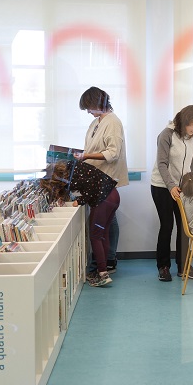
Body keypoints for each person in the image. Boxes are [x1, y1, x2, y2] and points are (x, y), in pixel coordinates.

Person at [74, 87, 128, 278]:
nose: (88, 112)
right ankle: (104, 261)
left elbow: (112, 153)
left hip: (105, 180)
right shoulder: (97, 122)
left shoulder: (113, 123)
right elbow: (92, 147)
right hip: (96, 180)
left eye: (89, 107)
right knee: (104, 223)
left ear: (98, 103)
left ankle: (105, 263)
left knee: (102, 226)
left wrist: (86, 156)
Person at [41, 160, 120, 287]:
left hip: (103, 200)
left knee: (95, 237)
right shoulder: (74, 166)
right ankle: (102, 270)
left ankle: (103, 274)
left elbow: (90, 188)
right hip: (113, 196)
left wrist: (80, 201)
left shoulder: (72, 175)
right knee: (103, 234)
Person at [151, 105, 193, 282]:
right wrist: (171, 186)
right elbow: (161, 164)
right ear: (184, 121)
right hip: (161, 186)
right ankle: (163, 267)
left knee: (184, 227)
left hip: (183, 188)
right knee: (167, 225)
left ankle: (183, 266)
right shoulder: (166, 135)